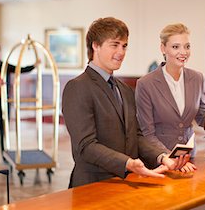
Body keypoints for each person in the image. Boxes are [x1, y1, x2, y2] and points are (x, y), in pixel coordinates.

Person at [62, 17, 188, 188]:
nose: (121, 52)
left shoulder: (125, 89)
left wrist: (163, 157)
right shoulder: (77, 87)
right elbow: (86, 146)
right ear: (95, 46)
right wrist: (128, 163)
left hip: (126, 183)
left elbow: (136, 137)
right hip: (92, 186)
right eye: (114, 45)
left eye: (124, 46)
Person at [135, 23, 205, 172]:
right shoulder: (145, 84)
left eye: (187, 46)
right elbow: (147, 133)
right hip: (160, 162)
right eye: (176, 47)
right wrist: (169, 159)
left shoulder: (197, 78)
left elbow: (202, 117)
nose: (183, 52)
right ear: (163, 48)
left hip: (189, 159)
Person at [0, 42, 37, 171]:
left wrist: (34, 65)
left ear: (0, 52)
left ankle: (6, 157)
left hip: (4, 102)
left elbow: (19, 70)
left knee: (4, 130)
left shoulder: (4, 66)